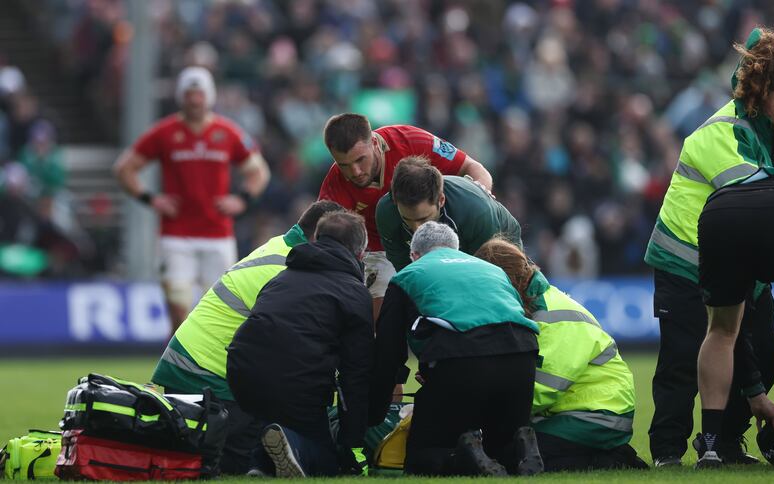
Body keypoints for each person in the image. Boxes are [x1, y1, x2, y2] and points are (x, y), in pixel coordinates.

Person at [643, 28, 774, 466]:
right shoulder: (719, 133)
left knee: (764, 354)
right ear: (761, 95)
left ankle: (726, 443)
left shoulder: (771, 133)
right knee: (681, 360)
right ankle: (668, 454)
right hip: (685, 261)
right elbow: (755, 195)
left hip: (738, 263)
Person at [150, 200, 346, 474]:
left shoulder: (282, 249)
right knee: (249, 462)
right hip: (209, 381)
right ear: (318, 237)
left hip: (196, 370)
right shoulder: (291, 268)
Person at [694, 29, 774, 468]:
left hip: (720, 212)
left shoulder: (766, 132)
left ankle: (712, 445)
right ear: (763, 94)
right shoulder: (734, 126)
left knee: (722, 331)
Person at [368, 221, 541, 476]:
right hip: (522, 357)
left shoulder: (408, 275)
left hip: (463, 359)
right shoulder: (492, 270)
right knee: (494, 449)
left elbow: (389, 353)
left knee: (421, 458)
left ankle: (461, 461)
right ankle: (518, 450)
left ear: (414, 255)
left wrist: (375, 412)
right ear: (457, 249)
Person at [114, 66, 270, 335]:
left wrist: (242, 200)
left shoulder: (228, 132)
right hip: (177, 235)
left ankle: (213, 372)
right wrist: (151, 199)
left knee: (222, 312)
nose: (195, 101)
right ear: (181, 97)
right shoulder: (164, 132)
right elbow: (124, 168)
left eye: (199, 95)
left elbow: (258, 172)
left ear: (208, 97)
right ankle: (177, 373)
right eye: (190, 95)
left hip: (218, 234)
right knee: (179, 313)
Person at [474, 238, 648, 471]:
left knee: (511, 455)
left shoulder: (552, 317)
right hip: (580, 412)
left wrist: (485, 413)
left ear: (505, 283)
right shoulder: (536, 306)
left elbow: (542, 390)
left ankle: (612, 460)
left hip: (599, 416)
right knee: (504, 449)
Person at [226, 211, 373, 477]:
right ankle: (292, 447)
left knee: (279, 425)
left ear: (316, 238)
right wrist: (352, 442)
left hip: (242, 371)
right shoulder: (353, 292)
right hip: (295, 379)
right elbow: (356, 374)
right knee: (325, 460)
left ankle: (261, 466)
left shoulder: (282, 277)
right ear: (360, 253)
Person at [318, 113, 493, 318]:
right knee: (383, 313)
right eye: (344, 165)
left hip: (438, 231)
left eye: (360, 160)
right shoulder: (334, 185)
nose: (355, 171)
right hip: (382, 249)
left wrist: (480, 198)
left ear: (374, 142)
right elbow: (324, 239)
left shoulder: (411, 141)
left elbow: (474, 168)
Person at [376, 155, 521, 271]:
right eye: (407, 219)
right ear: (395, 202)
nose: (416, 229)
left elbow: (488, 274)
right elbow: (406, 272)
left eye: (423, 219)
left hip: (497, 242)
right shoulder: (386, 214)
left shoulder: (476, 211)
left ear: (441, 200)